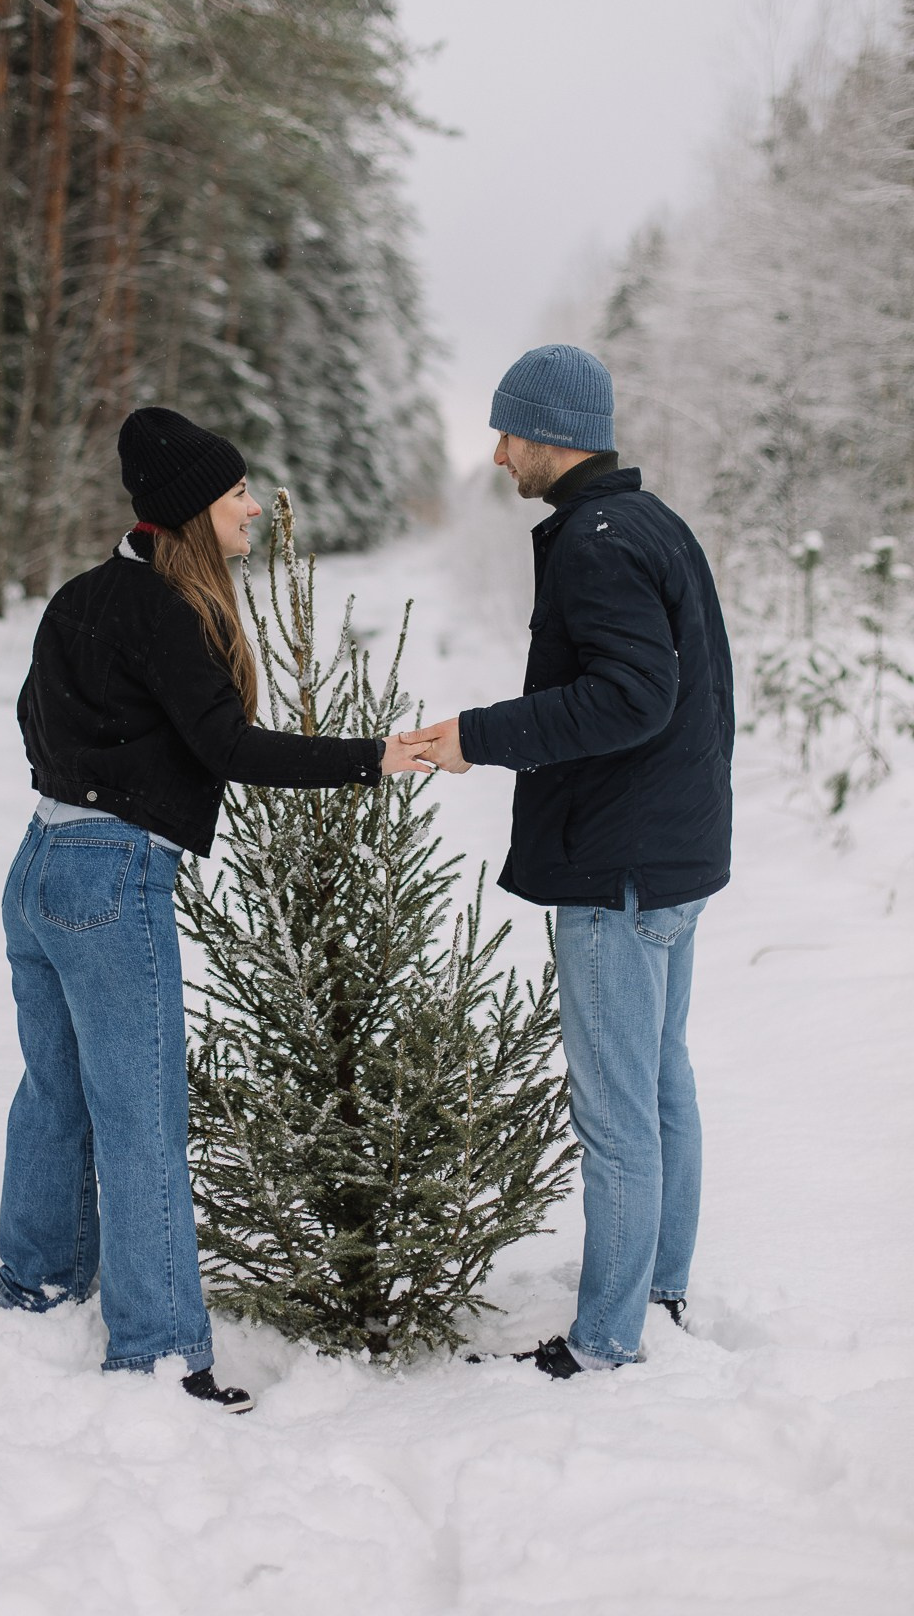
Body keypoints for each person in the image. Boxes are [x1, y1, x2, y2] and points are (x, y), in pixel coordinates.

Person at [0, 405, 428, 1411]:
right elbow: (229, 746)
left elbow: (30, 717)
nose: (253, 506)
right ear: (193, 507)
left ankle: (36, 1287)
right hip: (110, 877)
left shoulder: (81, 595)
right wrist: (375, 756)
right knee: (141, 1116)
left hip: (38, 866)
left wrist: (89, 777)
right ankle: (156, 1353)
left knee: (55, 1092)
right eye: (236, 491)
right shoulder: (165, 609)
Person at [405, 344, 734, 1378]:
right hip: (670, 858)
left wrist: (480, 735)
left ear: (552, 434)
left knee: (618, 1114)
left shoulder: (596, 540)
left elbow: (633, 697)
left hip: (618, 868)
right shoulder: (651, 523)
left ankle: (604, 1343)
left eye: (508, 434)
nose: (500, 455)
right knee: (661, 1086)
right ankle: (657, 1290)